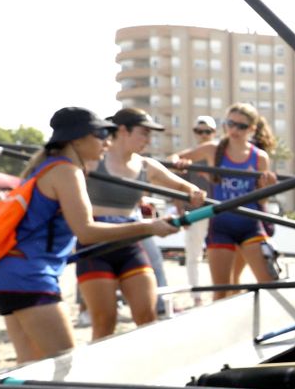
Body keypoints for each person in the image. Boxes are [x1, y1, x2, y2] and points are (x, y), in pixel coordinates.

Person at [0, 108, 177, 364]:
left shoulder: (44, 168)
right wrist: (149, 227)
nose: (107, 140)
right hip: (28, 277)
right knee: (66, 367)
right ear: (76, 139)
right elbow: (87, 231)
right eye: (100, 133)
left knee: (29, 371)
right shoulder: (66, 171)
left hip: (2, 275)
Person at [77, 108, 204, 339]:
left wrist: (193, 192)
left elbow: (183, 187)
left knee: (147, 317)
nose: (148, 139)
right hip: (96, 244)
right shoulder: (93, 161)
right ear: (123, 130)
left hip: (131, 243)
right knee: (105, 323)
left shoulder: (147, 166)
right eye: (143, 133)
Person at [178, 103, 277, 299]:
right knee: (221, 292)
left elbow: (262, 199)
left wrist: (267, 186)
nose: (234, 129)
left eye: (241, 126)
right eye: (230, 123)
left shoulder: (260, 157)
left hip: (250, 224)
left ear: (252, 129)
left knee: (270, 286)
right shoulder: (212, 149)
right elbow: (174, 159)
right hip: (221, 225)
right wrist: (182, 162)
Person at [180, 115, 216, 292]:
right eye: (199, 131)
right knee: (194, 255)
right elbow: (178, 186)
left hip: (217, 210)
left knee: (221, 252)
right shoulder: (189, 157)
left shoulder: (220, 155)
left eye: (207, 131)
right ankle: (197, 294)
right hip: (196, 211)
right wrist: (181, 213)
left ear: (213, 133)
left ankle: (223, 291)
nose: (203, 135)